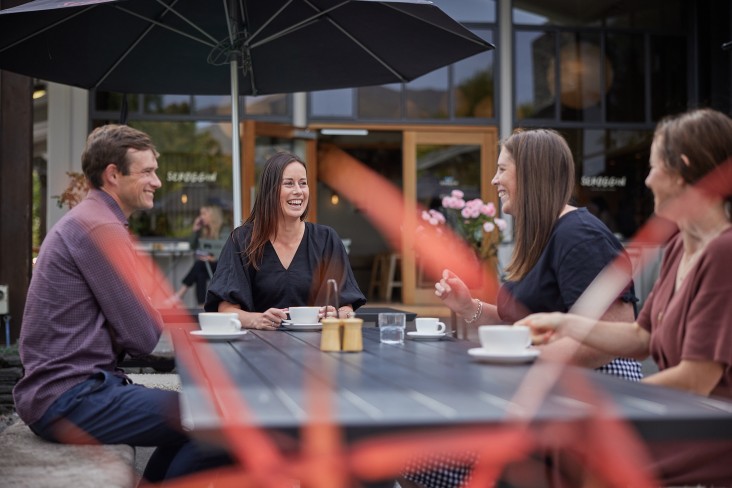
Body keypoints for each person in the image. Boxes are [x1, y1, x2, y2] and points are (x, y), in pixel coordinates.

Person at [403, 129, 641, 488]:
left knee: (419, 460)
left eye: (502, 169)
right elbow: (522, 320)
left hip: (592, 397)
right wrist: (469, 306)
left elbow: (618, 334)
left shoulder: (580, 234)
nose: (494, 179)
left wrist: (522, 362)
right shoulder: (543, 236)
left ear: (530, 174)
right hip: (547, 392)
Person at [520, 108, 732, 487]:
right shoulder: (680, 247)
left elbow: (698, 380)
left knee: (582, 456)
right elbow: (641, 338)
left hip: (711, 425)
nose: (647, 180)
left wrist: (605, 400)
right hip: (682, 414)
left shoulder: (723, 253)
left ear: (681, 170)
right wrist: (563, 322)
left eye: (653, 168)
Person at [13, 125, 230, 482]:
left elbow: (135, 325)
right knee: (223, 421)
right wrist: (143, 304)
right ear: (113, 174)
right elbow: (143, 337)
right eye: (147, 171)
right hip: (69, 398)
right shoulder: (100, 228)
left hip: (73, 391)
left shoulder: (95, 220)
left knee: (200, 418)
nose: (157, 181)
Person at [205, 151, 366, 328]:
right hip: (256, 348)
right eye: (289, 183)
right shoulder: (242, 241)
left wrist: (337, 314)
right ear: (270, 190)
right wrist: (256, 319)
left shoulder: (326, 240)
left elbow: (347, 307)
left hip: (315, 348)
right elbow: (226, 309)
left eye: (303, 183)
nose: (298, 191)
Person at [172, 204, 226, 306]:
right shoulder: (204, 231)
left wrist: (213, 257)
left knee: (199, 265)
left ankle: (179, 295)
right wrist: (195, 229)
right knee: (200, 274)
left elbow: (228, 250)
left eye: (204, 214)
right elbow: (191, 246)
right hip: (207, 265)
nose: (201, 217)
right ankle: (201, 307)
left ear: (212, 215)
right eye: (201, 214)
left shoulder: (223, 230)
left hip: (221, 266)